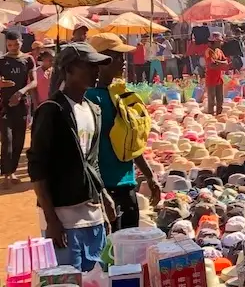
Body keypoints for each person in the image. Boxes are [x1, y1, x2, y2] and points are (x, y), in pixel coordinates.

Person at [27, 43, 115, 271]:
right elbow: (38, 168)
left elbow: (91, 161)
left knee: (97, 283)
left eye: (97, 66)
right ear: (68, 70)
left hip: (92, 213)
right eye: (89, 66)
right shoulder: (51, 110)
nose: (96, 71)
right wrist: (51, 220)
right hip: (63, 218)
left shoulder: (93, 110)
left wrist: (103, 195)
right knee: (69, 286)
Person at [87, 34, 161, 230]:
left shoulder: (119, 94)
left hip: (126, 182)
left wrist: (149, 176)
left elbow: (131, 141)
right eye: (117, 57)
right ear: (100, 61)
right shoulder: (91, 99)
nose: (123, 61)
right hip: (104, 187)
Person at [0, 30, 35, 187]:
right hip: (3, 106)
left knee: (19, 140)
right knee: (7, 139)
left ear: (22, 41)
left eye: (16, 44)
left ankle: (12, 171)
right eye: (9, 44)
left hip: (21, 104)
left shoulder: (28, 59)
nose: (13, 47)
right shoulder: (1, 60)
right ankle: (6, 173)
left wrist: (21, 92)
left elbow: (34, 82)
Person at [204, 33, 227, 116]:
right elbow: (211, 65)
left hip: (219, 78)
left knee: (220, 99)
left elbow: (226, 62)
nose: (221, 43)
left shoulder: (219, 51)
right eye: (219, 41)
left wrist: (217, 62)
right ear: (214, 42)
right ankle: (211, 115)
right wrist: (220, 64)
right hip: (211, 78)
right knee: (211, 99)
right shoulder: (208, 52)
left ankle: (219, 114)